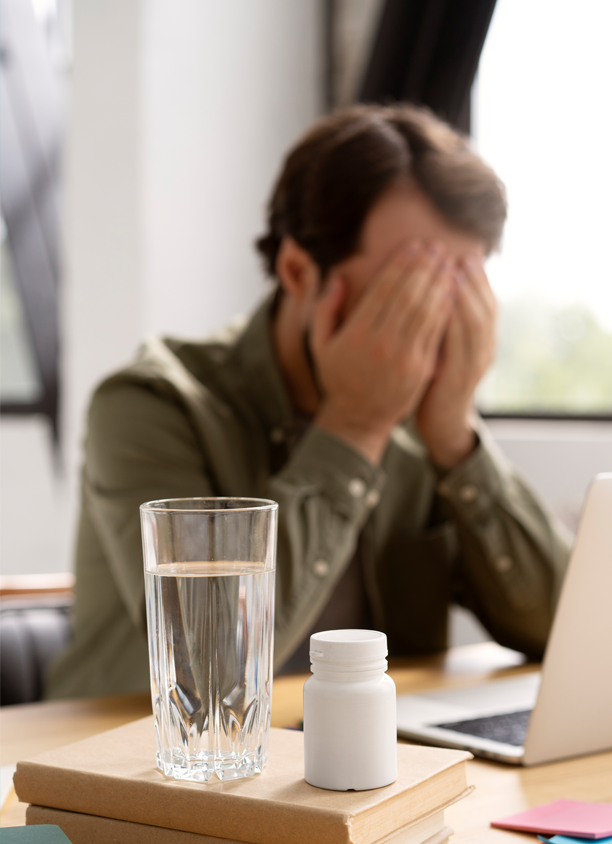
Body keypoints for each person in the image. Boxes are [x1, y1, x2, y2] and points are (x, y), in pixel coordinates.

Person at [46, 104, 571, 699]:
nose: (429, 325)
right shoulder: (151, 404)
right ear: (298, 270)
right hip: (135, 768)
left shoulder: (426, 428)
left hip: (360, 773)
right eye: (405, 291)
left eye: (457, 290)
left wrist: (455, 437)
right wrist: (355, 425)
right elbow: (209, 668)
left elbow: (572, 632)